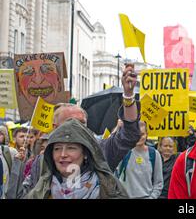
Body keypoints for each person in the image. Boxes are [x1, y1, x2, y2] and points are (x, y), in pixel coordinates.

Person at [9, 64, 141, 198]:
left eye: (82, 123)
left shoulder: (100, 150)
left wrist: (128, 96)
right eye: (70, 123)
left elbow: (129, 135)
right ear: (55, 128)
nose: (77, 128)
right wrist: (17, 167)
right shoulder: (42, 162)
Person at [26, 118, 128, 199]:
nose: (63, 154)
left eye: (71, 148)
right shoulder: (40, 191)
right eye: (57, 148)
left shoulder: (108, 189)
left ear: (85, 153)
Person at [116, 121, 163, 199]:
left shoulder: (154, 154)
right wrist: (118, 128)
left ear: (147, 134)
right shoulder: (123, 152)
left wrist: (151, 198)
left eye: (142, 134)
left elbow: (158, 183)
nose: (139, 137)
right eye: (136, 134)